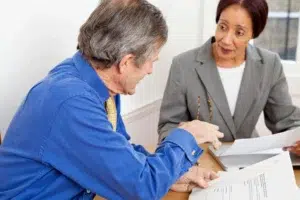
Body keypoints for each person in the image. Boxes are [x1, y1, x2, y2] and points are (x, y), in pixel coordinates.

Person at [0, 0, 224, 199]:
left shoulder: (95, 80)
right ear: (125, 63)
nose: (150, 70)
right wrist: (187, 135)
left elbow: (120, 154)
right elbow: (141, 188)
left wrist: (171, 174)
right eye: (151, 61)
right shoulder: (72, 102)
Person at [158, 0, 300, 156]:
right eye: (222, 27)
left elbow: (286, 121)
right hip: (200, 160)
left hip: (249, 161)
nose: (226, 40)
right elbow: (168, 128)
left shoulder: (269, 64)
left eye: (239, 32)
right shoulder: (183, 65)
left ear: (253, 33)